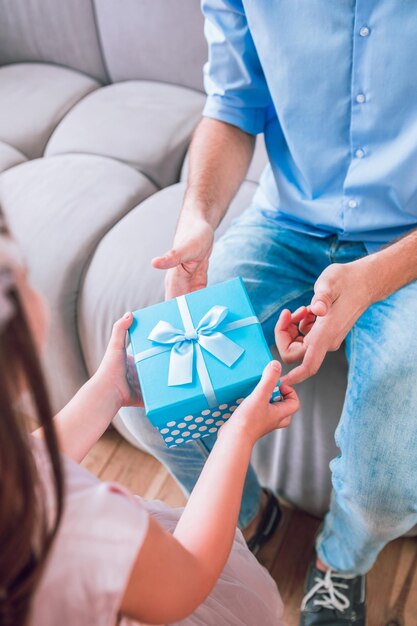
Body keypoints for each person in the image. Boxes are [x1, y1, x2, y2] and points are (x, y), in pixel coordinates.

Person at [140, 2, 417, 625]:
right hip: (285, 221)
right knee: (159, 387)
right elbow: (232, 106)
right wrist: (199, 219)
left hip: (410, 248)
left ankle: (339, 564)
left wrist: (374, 278)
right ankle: (249, 520)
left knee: (386, 492)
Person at [0, 220, 300, 626]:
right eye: (25, 276)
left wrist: (111, 388)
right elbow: (188, 575)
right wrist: (238, 432)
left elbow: (33, 461)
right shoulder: (77, 523)